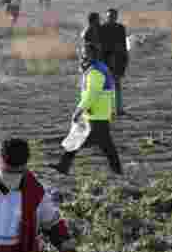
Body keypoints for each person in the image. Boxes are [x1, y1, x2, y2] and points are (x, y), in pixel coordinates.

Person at [50, 43, 122, 175]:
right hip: (98, 112)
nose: (82, 55)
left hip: (96, 113)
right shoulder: (98, 68)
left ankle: (63, 165)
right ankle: (64, 165)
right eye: (82, 52)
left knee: (84, 140)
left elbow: (92, 94)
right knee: (105, 145)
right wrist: (111, 109)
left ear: (93, 54)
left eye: (85, 52)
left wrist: (79, 109)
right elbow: (109, 92)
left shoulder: (95, 71)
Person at [98, 8, 129, 116]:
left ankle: (119, 109)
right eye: (109, 16)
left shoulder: (121, 28)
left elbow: (123, 44)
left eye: (113, 16)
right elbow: (100, 45)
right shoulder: (102, 28)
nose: (111, 18)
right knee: (106, 86)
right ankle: (108, 109)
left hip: (118, 59)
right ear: (106, 17)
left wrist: (125, 58)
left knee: (117, 84)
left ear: (116, 17)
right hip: (105, 59)